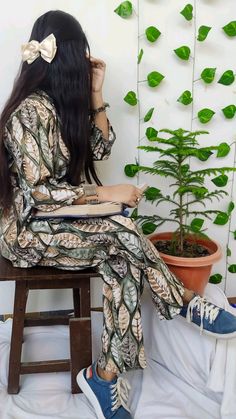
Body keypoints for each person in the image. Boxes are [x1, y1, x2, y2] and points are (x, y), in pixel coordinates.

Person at [0, 10, 235, 419]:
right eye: (81, 54)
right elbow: (39, 195)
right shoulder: (28, 112)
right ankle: (180, 300)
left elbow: (102, 147)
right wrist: (104, 192)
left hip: (56, 220)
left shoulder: (59, 106)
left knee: (121, 255)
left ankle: (103, 377)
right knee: (121, 230)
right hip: (27, 231)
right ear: (67, 56)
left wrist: (96, 93)